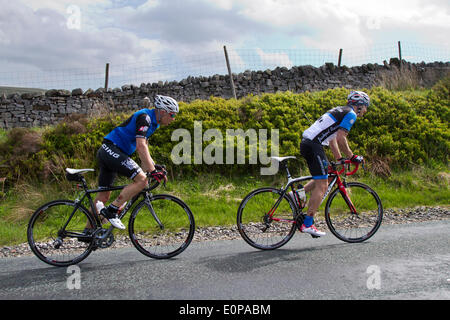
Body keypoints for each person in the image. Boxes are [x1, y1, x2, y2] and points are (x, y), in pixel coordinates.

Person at [87, 95, 179, 230]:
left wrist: (153, 167)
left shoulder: (154, 122)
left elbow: (144, 147)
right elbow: (140, 145)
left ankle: (88, 232)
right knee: (142, 181)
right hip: (112, 149)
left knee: (103, 197)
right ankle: (111, 211)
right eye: (172, 114)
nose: (173, 119)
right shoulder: (145, 118)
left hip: (110, 151)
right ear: (163, 111)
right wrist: (152, 171)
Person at [298, 91, 369, 237]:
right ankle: (307, 223)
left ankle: (296, 195)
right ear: (360, 105)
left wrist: (339, 159)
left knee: (326, 176)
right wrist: (352, 156)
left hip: (309, 143)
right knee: (322, 185)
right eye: (366, 107)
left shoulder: (341, 110)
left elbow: (332, 140)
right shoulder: (351, 114)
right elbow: (341, 138)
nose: (366, 110)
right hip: (314, 145)